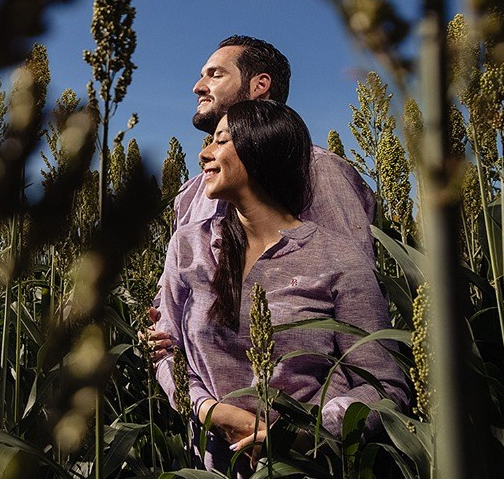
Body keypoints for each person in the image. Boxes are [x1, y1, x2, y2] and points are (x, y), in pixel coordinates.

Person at [153, 99, 408, 460]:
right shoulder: (188, 246)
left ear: (260, 148)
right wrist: (211, 411)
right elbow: (166, 351)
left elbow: (384, 386)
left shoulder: (339, 258)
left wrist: (298, 436)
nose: (204, 153)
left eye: (220, 141)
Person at [149, 35, 391, 361]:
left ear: (260, 85)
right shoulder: (191, 193)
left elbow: (357, 307)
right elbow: (172, 310)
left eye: (215, 74)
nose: (198, 86)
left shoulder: (317, 170)